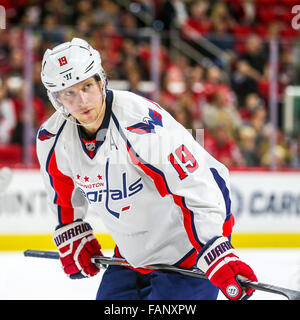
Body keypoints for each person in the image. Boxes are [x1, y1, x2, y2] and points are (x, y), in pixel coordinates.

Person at [37, 38, 257, 300]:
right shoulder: (52, 139)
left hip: (189, 247)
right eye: (69, 93)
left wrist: (214, 247)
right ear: (57, 98)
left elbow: (196, 184)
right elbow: (62, 190)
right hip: (133, 252)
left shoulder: (138, 124)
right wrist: (71, 229)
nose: (82, 101)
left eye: (87, 86)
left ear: (100, 80)